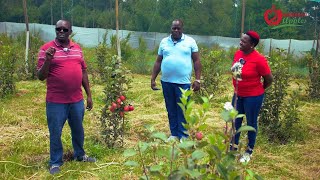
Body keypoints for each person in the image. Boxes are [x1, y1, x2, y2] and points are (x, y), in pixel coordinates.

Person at [37, 19, 96, 175]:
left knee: (78, 129)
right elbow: (40, 76)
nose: (61, 32)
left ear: (70, 31)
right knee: (55, 131)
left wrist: (89, 95)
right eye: (58, 29)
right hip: (56, 101)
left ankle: (80, 155)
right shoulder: (46, 49)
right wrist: (48, 60)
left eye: (64, 29)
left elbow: (83, 72)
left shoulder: (77, 49)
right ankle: (55, 161)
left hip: (76, 99)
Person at [151, 19, 201, 141]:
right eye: (174, 28)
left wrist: (198, 79)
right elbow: (158, 61)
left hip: (183, 83)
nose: (176, 30)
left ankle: (183, 135)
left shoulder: (190, 42)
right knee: (171, 108)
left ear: (182, 29)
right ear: (171, 29)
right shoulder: (164, 42)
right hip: (167, 82)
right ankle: (174, 134)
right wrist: (153, 78)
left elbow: (196, 61)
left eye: (178, 28)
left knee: (183, 109)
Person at [230, 30, 273, 163]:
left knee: (251, 123)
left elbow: (269, 79)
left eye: (244, 41)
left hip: (253, 97)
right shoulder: (238, 53)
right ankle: (233, 148)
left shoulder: (259, 59)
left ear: (252, 45)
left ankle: (249, 151)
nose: (240, 42)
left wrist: (258, 90)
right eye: (241, 40)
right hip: (238, 95)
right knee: (235, 122)